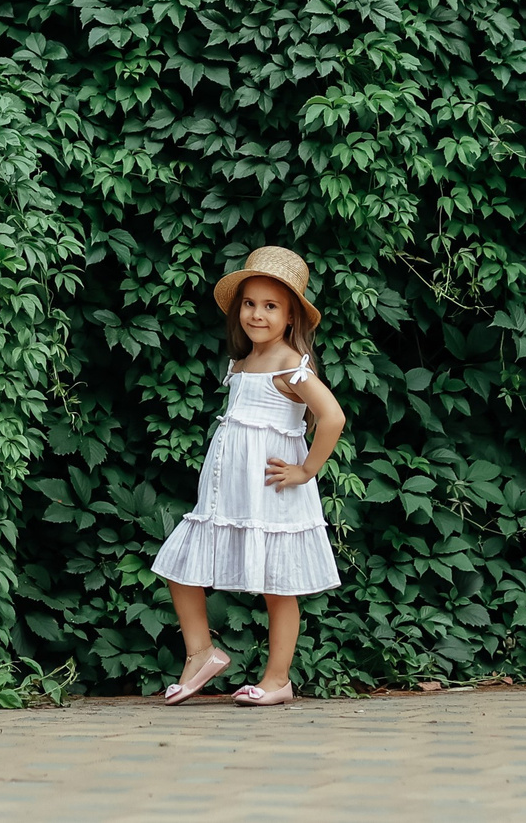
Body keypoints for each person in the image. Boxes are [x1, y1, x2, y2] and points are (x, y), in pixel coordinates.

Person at [151, 244, 346, 706]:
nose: (257, 314)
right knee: (179, 566)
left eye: (271, 306)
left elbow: (332, 416)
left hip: (271, 493)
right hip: (229, 492)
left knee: (278, 587)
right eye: (250, 304)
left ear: (291, 317)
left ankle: (278, 679)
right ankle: (201, 652)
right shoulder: (241, 364)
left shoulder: (289, 365)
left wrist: (306, 470)